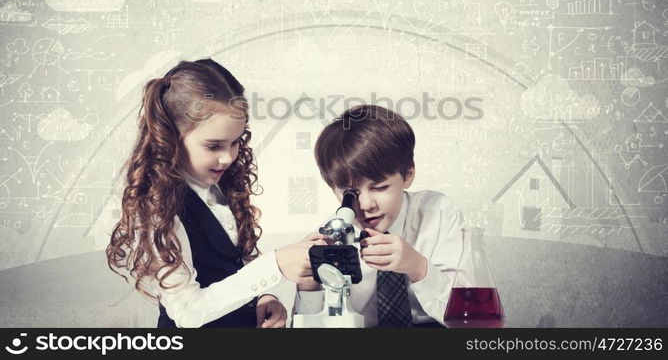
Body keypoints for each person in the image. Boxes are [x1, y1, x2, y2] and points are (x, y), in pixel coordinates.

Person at [106, 58, 322, 328]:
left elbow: (239, 267)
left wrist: (264, 297)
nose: (228, 157)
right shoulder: (158, 208)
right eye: (213, 146)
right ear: (171, 136)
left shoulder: (221, 185)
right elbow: (188, 312)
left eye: (235, 143)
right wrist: (275, 265)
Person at [294, 105, 465, 327]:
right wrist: (309, 290)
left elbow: (467, 318)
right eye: (350, 193)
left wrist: (418, 267)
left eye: (380, 187)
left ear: (408, 175)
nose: (365, 205)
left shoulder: (438, 213)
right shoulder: (332, 233)